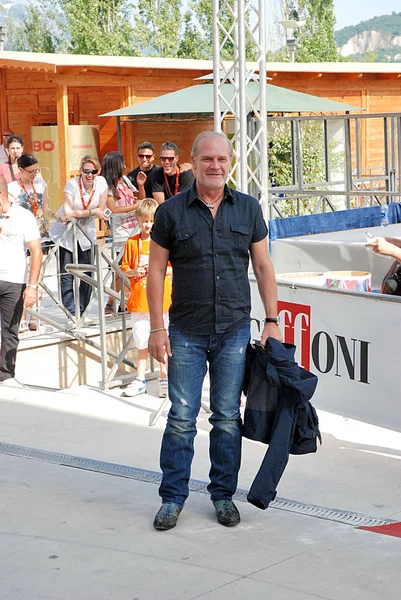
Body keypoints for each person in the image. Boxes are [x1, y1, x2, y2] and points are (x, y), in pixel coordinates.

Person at [147, 131, 282, 531]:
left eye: (222, 159)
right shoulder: (171, 212)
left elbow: (263, 267)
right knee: (182, 417)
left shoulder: (248, 209)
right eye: (207, 159)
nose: (216, 166)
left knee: (226, 417)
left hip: (234, 331)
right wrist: (156, 328)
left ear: (230, 162)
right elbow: (155, 270)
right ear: (194, 161)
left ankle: (223, 495)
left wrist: (272, 321)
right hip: (186, 330)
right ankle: (172, 497)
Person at [121, 198, 172, 399]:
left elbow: (172, 268)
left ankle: (164, 376)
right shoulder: (132, 243)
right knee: (141, 339)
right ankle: (140, 378)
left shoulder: (164, 243)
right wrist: (135, 271)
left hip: (162, 300)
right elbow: (125, 269)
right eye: (144, 221)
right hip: (139, 299)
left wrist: (159, 271)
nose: (147, 225)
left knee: (163, 338)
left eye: (151, 221)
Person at [49, 155, 108, 321]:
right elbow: (68, 212)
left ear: (98, 171)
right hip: (65, 231)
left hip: (86, 232)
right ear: (80, 171)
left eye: (93, 172)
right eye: (86, 171)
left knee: (88, 273)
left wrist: (90, 213)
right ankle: (71, 313)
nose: (89, 175)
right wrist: (91, 212)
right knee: (66, 273)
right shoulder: (73, 184)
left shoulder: (101, 182)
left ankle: (82, 312)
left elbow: (101, 208)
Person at [0, 177, 42, 384]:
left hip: (13, 280)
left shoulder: (23, 216)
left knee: (9, 330)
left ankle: (6, 376)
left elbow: (36, 251)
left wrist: (32, 286)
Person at [8, 154, 56, 332]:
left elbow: (46, 208)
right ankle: (20, 318)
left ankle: (34, 317)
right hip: (20, 238)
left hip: (40, 235)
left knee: (38, 278)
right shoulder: (12, 188)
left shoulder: (40, 184)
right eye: (31, 171)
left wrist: (58, 216)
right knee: (22, 278)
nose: (35, 174)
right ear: (20, 170)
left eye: (37, 170)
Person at [101, 151, 139, 316]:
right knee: (121, 270)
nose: (125, 166)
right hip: (121, 233)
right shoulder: (108, 186)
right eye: (122, 163)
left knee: (130, 268)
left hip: (135, 230)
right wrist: (134, 207)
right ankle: (113, 303)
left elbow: (135, 198)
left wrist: (141, 190)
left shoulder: (125, 181)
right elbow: (113, 209)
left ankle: (123, 303)